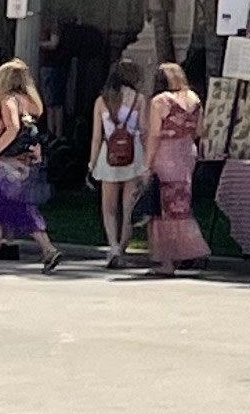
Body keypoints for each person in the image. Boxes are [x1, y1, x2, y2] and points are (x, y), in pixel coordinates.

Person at [0, 57, 63, 272]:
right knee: (20, 207)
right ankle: (46, 249)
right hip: (27, 160)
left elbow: (13, 128)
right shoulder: (30, 102)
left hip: (9, 161)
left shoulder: (8, 100)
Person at [142, 61, 207, 277]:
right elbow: (200, 130)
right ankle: (185, 250)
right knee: (181, 203)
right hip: (187, 152)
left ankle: (167, 260)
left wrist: (147, 164)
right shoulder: (194, 99)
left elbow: (154, 134)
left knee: (166, 207)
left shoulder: (160, 101)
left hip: (166, 154)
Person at [85, 64, 150, 267]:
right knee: (129, 207)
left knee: (109, 208)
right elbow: (144, 131)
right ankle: (122, 248)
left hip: (109, 155)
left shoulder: (102, 101)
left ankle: (113, 247)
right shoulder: (139, 99)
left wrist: (92, 163)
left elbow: (97, 137)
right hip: (133, 153)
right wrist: (148, 162)